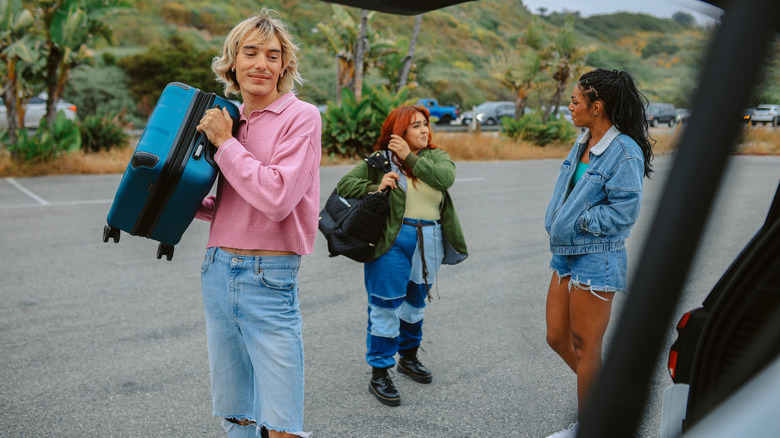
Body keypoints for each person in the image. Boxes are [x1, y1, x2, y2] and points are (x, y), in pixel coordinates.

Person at [194, 9, 321, 438]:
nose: (261, 64)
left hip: (270, 278)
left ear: (285, 65)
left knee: (281, 425)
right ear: (232, 60)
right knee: (239, 417)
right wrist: (176, 198)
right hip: (217, 269)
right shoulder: (229, 119)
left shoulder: (301, 117)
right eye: (250, 52)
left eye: (272, 55)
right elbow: (235, 202)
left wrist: (225, 144)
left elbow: (277, 197)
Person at [543, 68, 654, 438]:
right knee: (557, 336)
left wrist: (577, 220)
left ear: (597, 106)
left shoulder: (625, 152)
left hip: (597, 255)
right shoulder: (583, 141)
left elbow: (624, 213)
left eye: (575, 101)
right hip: (565, 253)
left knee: (585, 345)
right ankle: (608, 403)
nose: (569, 107)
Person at [336, 105, 468, 407]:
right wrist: (376, 184)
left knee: (415, 304)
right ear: (400, 133)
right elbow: (345, 185)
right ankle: (380, 371)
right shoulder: (381, 162)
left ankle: (408, 357)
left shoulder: (437, 157)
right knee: (385, 306)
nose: (424, 130)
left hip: (430, 238)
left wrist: (409, 157)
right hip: (392, 241)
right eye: (416, 126)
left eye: (426, 124)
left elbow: (444, 179)